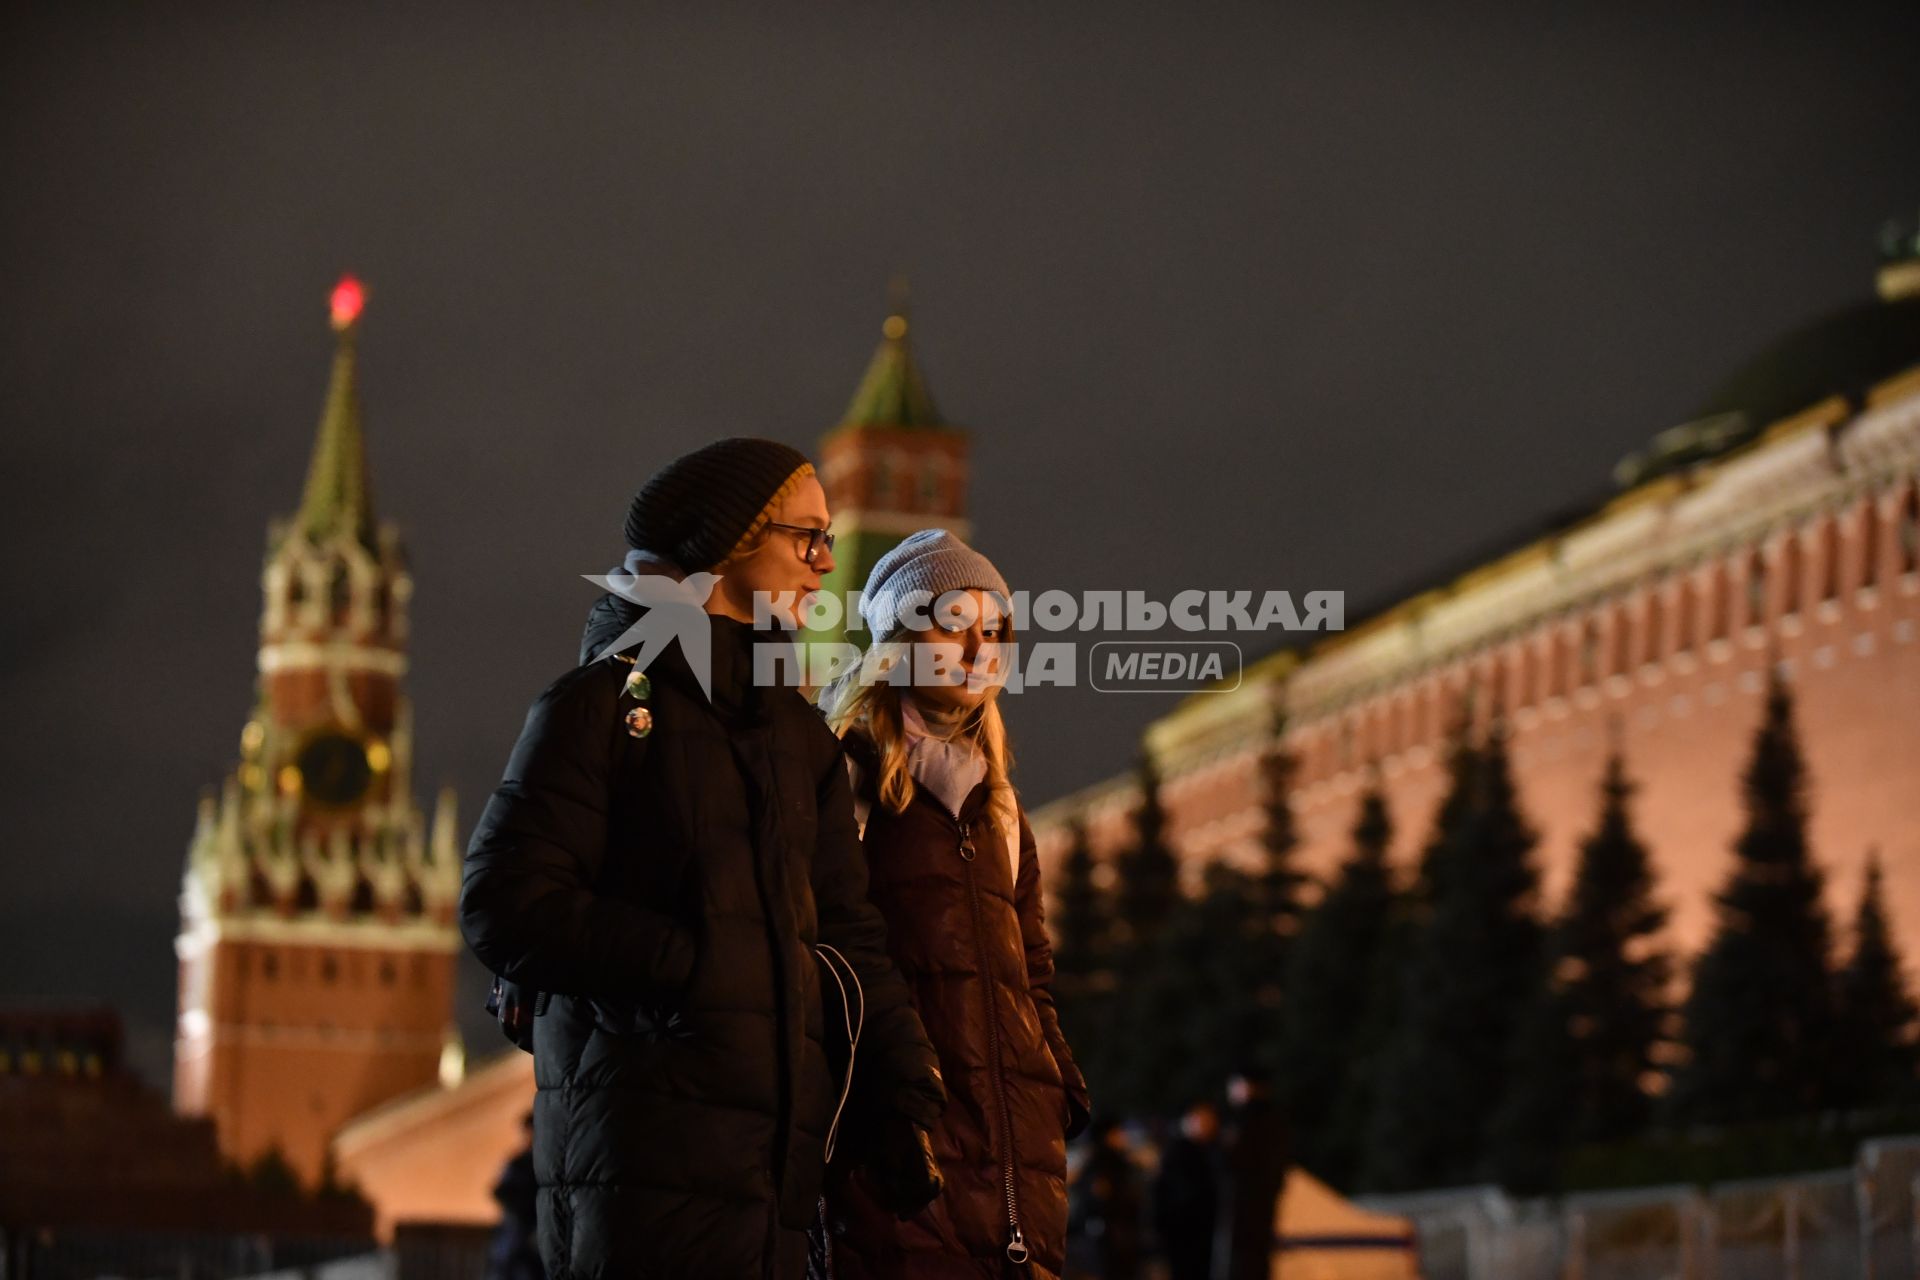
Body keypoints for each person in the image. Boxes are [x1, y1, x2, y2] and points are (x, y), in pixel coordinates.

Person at [460, 438, 948, 1280]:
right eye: (806, 539)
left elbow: (848, 932)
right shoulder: (601, 707)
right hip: (637, 1175)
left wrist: (901, 1093)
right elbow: (506, 901)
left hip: (774, 1185)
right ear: (726, 543)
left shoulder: (800, 744)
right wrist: (695, 970)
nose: (827, 565)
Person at [819, 529, 1091, 1280]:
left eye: (996, 628)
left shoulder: (1000, 803)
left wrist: (1057, 1085)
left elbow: (1030, 967)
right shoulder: (848, 774)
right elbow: (828, 946)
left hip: (1019, 1160)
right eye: (955, 623)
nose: (981, 647)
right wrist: (889, 1098)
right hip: (903, 1149)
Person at [1219, 1072, 1290, 1280]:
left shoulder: (1245, 1121)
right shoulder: (1274, 1119)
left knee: (1243, 1259)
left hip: (1244, 1203)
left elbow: (1233, 1161)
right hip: (1263, 1202)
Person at [1067, 1117, 1144, 1280]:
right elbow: (1098, 1198)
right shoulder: (1104, 1163)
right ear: (1108, 1136)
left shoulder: (1114, 1162)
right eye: (1118, 1132)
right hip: (1110, 1237)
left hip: (1115, 1235)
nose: (1123, 1136)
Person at [1152, 1100, 1221, 1280]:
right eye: (1201, 1120)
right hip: (1182, 1230)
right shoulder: (1178, 1153)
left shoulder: (1211, 1151)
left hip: (1203, 1232)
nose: (1207, 1125)